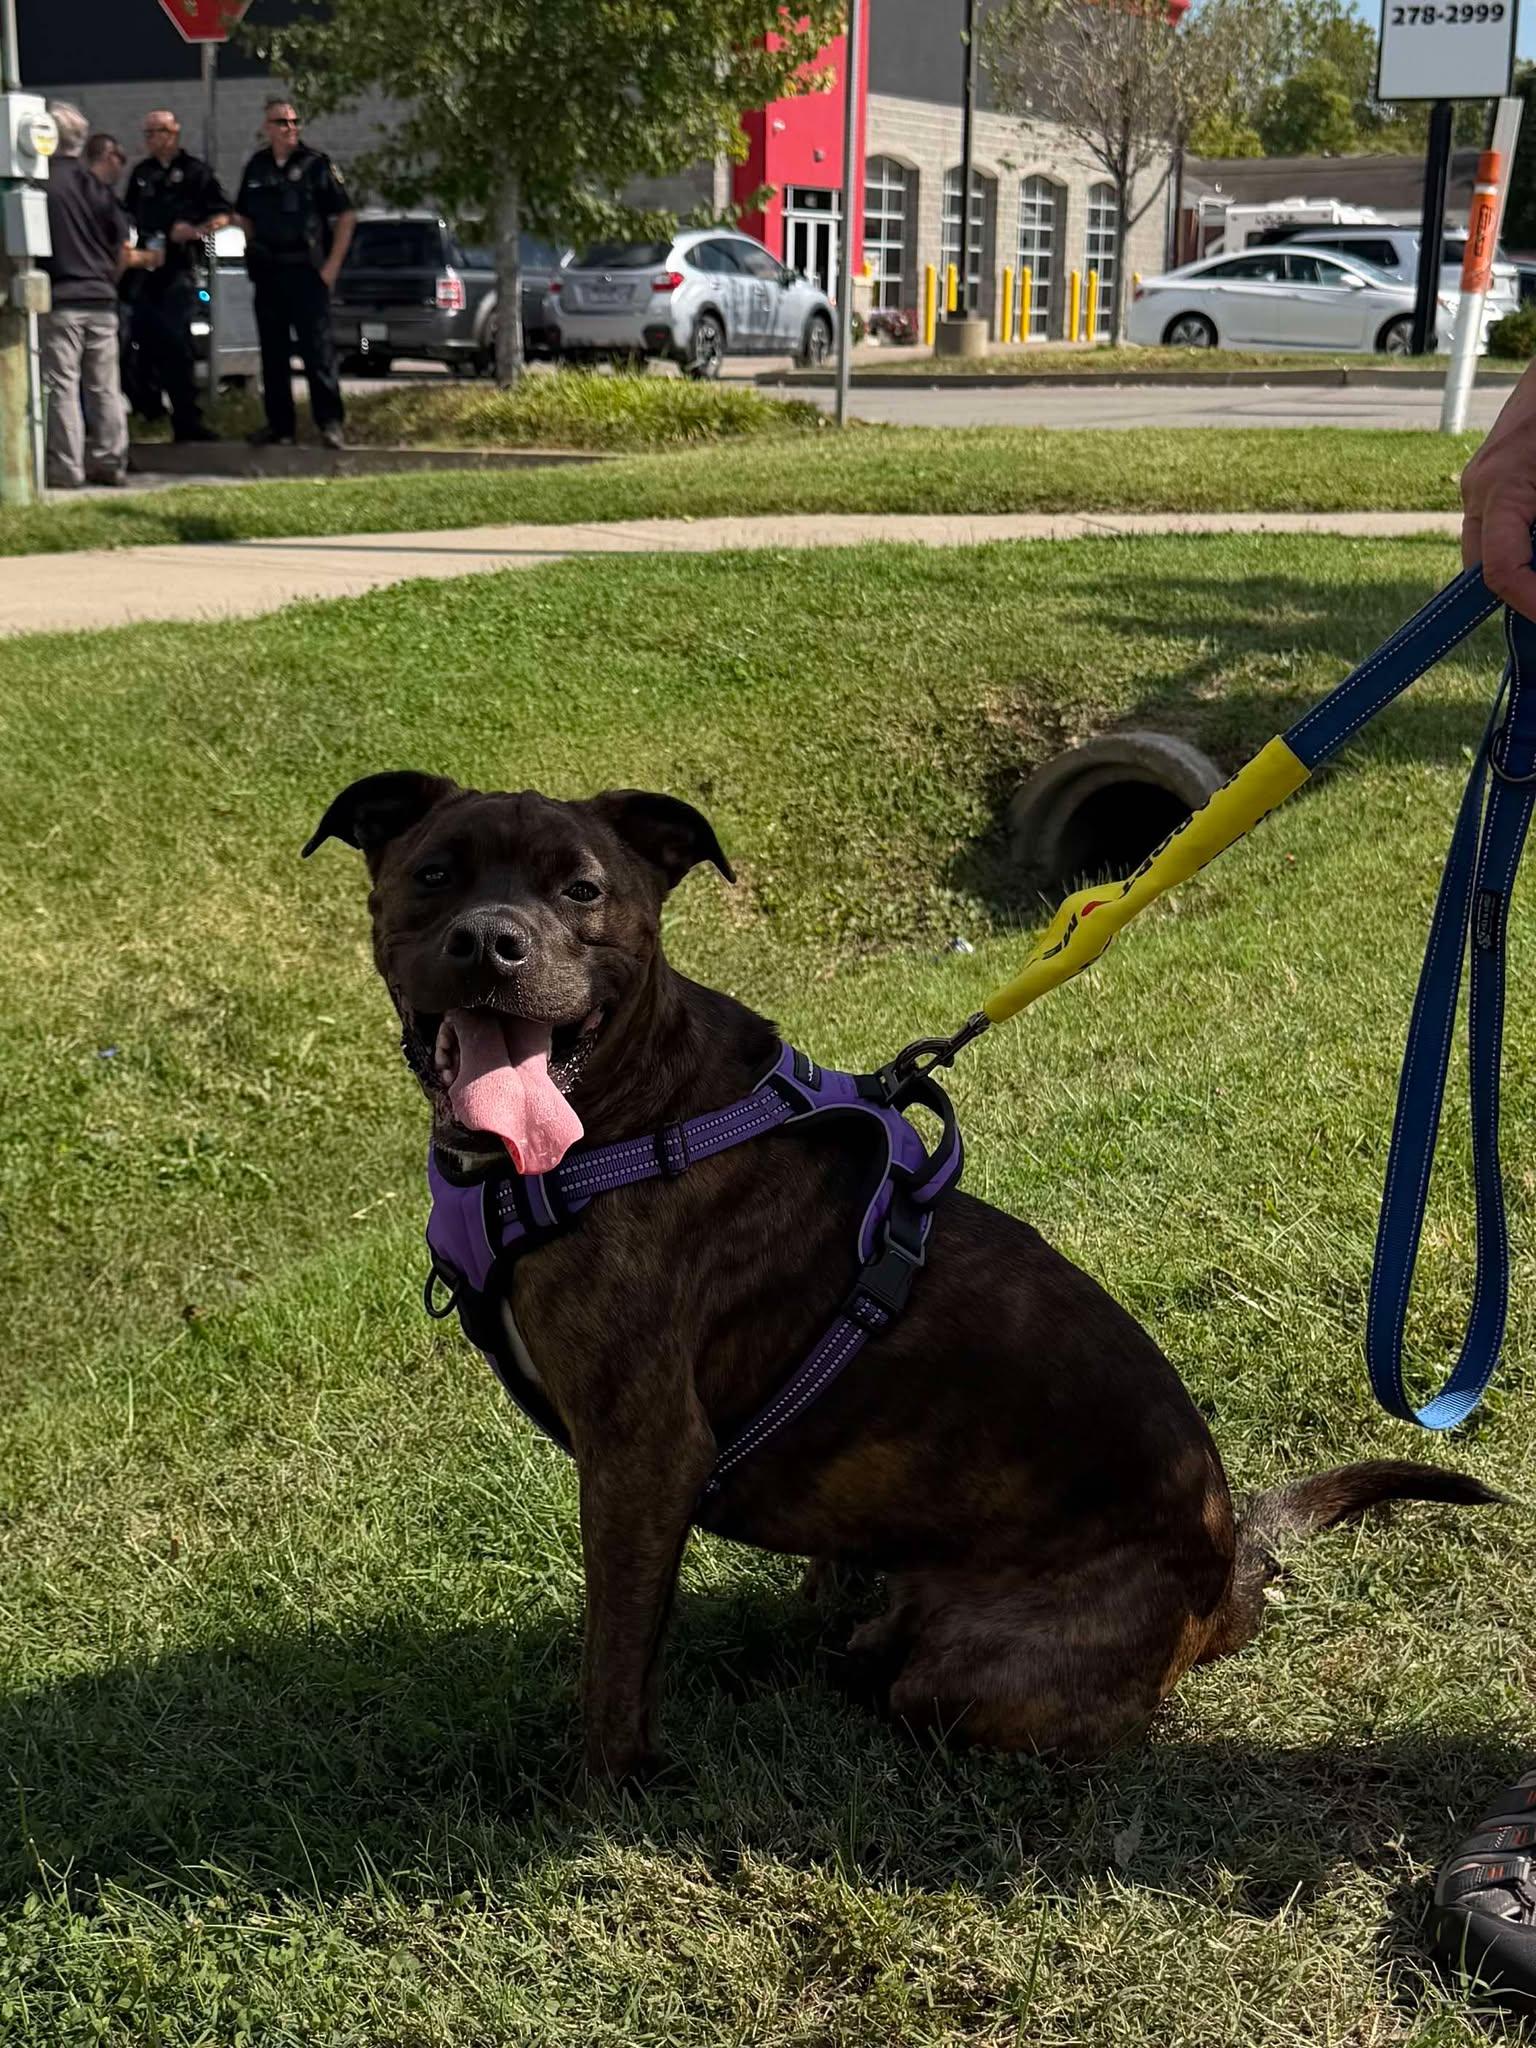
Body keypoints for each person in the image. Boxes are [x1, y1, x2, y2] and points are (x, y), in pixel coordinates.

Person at [40, 103, 161, 491]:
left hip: (62, 299)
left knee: (62, 387)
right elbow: (123, 247)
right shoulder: (98, 188)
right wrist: (109, 278)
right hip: (102, 299)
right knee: (105, 387)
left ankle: (66, 468)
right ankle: (111, 461)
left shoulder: (42, 184)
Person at [233, 96, 355, 449]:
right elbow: (244, 215)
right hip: (269, 271)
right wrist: (251, 244)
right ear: (266, 128)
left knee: (318, 351)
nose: (290, 128)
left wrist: (331, 267)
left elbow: (345, 216)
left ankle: (330, 423)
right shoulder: (257, 166)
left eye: (294, 122)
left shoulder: (316, 164)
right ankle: (280, 426)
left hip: (307, 270)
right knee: (273, 354)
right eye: (281, 122)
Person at [123, 108, 230, 444]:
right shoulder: (142, 174)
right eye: (148, 132)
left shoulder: (195, 172)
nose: (152, 138)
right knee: (136, 342)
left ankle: (187, 420)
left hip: (178, 270)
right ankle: (148, 410)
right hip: (144, 269)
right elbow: (128, 215)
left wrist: (197, 231)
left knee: (177, 345)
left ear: (174, 133)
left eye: (158, 131)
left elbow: (224, 214)